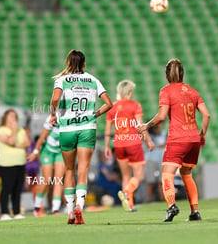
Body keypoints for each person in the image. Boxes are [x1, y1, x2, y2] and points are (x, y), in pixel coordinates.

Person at [137, 58, 210, 222]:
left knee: (167, 176)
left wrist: (146, 126)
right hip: (193, 140)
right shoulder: (193, 91)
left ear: (166, 75)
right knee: (187, 174)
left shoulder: (166, 91)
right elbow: (206, 114)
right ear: (182, 73)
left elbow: (162, 116)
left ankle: (172, 207)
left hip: (178, 139)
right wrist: (202, 134)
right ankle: (195, 212)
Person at [50, 49, 112, 224]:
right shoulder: (93, 80)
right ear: (84, 64)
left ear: (68, 63)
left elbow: (55, 100)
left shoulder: (62, 80)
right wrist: (95, 114)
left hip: (67, 129)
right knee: (82, 170)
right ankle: (80, 206)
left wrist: (54, 114)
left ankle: (70, 212)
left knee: (69, 170)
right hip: (87, 128)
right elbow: (109, 104)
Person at [105, 80, 154, 212]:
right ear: (130, 92)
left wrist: (106, 146)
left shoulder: (112, 107)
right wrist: (148, 140)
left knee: (126, 175)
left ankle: (129, 205)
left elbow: (108, 130)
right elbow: (140, 126)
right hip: (133, 144)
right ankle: (127, 191)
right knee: (139, 176)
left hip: (119, 144)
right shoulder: (135, 105)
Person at [0, 109, 31, 221]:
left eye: (15, 116)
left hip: (20, 162)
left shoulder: (21, 131)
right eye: (10, 116)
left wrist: (17, 145)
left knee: (17, 188)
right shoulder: (1, 130)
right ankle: (4, 212)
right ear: (5, 118)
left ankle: (17, 211)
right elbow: (10, 142)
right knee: (7, 187)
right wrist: (14, 131)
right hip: (7, 163)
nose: (13, 118)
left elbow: (27, 143)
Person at [28, 115, 65, 216]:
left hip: (60, 151)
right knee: (47, 180)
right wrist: (35, 152)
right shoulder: (54, 116)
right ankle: (37, 206)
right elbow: (42, 136)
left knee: (59, 179)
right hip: (48, 151)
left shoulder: (73, 117)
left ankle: (55, 209)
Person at [144, 122, 167, 202]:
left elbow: (166, 144)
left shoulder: (164, 134)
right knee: (150, 181)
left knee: (162, 181)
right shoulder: (149, 136)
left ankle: (162, 198)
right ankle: (149, 199)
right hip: (151, 160)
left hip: (161, 159)